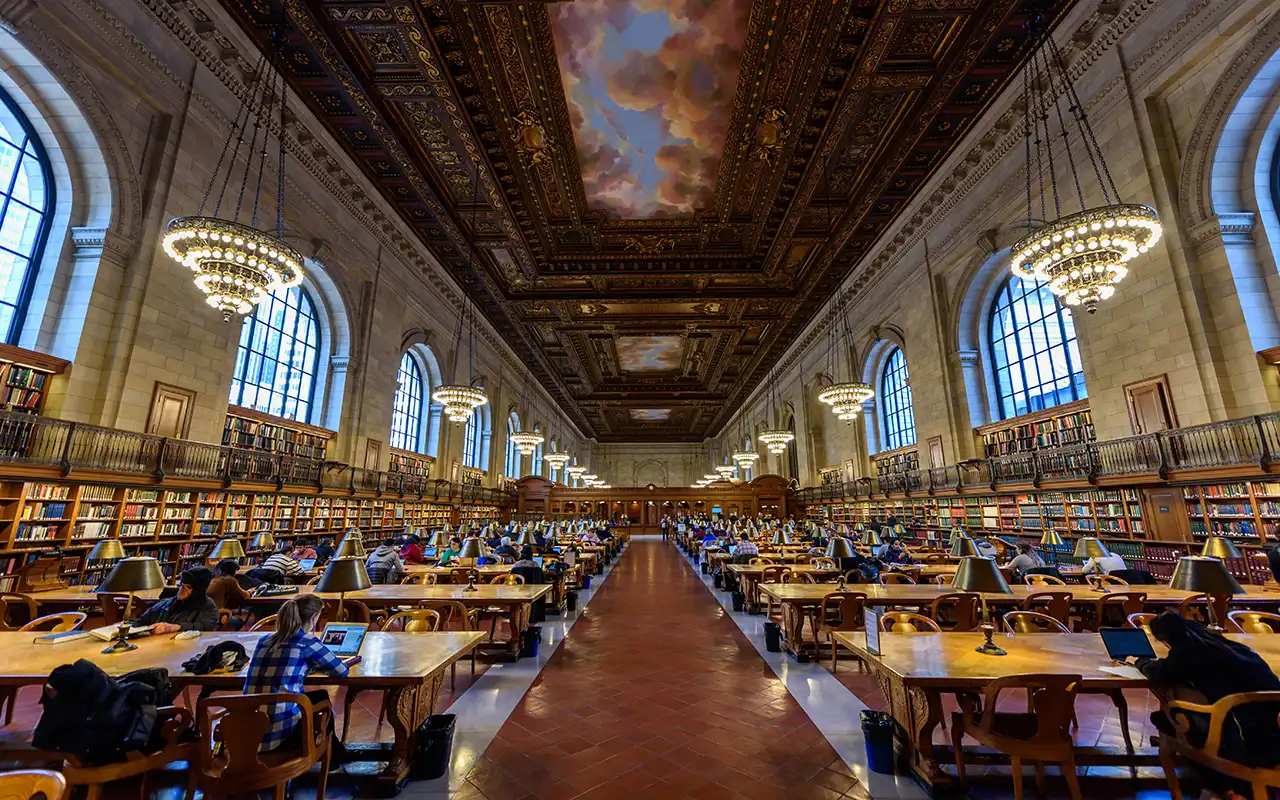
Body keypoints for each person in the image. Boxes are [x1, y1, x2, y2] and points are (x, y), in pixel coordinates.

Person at [1136, 612, 1280, 793]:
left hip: (1248, 734)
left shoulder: (1188, 651)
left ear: (1165, 639)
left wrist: (1139, 662)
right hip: (1274, 722)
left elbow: (1161, 672)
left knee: (1167, 719)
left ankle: (1227, 788)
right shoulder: (1224, 643)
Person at [243, 594, 351, 752]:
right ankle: (331, 756)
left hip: (245, 733)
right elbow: (341, 671)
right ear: (314, 617)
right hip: (279, 737)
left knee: (314, 697)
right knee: (322, 700)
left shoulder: (264, 640)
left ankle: (336, 754)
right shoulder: (306, 641)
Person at [134, 566, 219, 633]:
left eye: (188, 587)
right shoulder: (167, 603)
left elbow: (206, 627)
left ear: (198, 590)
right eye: (182, 585)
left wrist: (177, 627)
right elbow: (142, 620)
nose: (182, 589)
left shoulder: (206, 605)